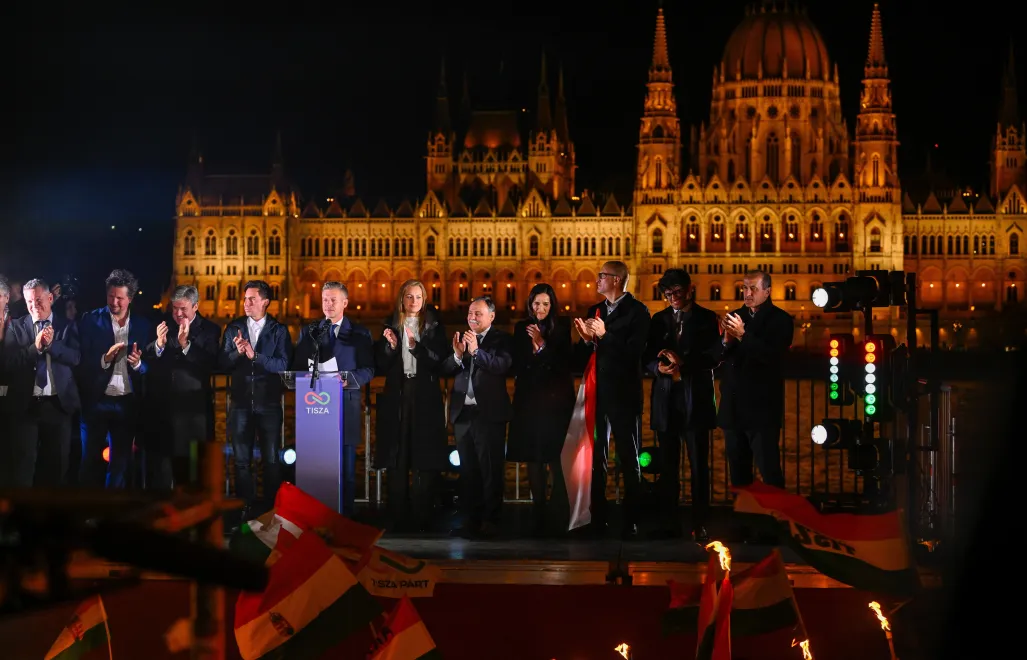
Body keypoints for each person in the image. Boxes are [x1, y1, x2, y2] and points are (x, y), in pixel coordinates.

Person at [574, 260, 651, 540]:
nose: (596, 280)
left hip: (624, 395)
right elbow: (587, 356)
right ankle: (598, 518)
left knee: (629, 459)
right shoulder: (595, 311)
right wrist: (585, 340)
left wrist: (605, 335)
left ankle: (631, 519)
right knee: (597, 459)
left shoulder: (638, 312)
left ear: (616, 280)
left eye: (601, 276)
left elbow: (634, 353)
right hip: (599, 393)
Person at [643, 269, 720, 542]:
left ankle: (700, 523)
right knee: (668, 468)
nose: (672, 298)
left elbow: (714, 356)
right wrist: (658, 367)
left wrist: (684, 362)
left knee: (699, 466)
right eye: (667, 293)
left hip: (694, 400)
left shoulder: (707, 319)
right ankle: (668, 523)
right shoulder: (659, 320)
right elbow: (647, 357)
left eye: (676, 292)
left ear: (689, 290)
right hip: (666, 399)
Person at [292, 281, 374, 516]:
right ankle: (316, 517)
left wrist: (349, 379)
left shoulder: (360, 333)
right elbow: (297, 365)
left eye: (333, 300)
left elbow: (368, 369)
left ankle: (345, 519)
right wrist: (305, 373)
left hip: (345, 406)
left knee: (347, 471)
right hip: (316, 410)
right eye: (325, 299)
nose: (328, 304)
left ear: (345, 303)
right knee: (317, 470)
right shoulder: (309, 331)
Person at [374, 280, 449, 532]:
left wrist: (416, 349)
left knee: (424, 455)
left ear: (424, 299)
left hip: (425, 394)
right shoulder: (390, 324)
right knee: (398, 455)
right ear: (402, 299)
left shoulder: (434, 326)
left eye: (418, 297)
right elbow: (380, 364)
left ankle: (422, 516)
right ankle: (397, 516)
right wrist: (390, 347)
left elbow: (438, 361)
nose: (413, 301)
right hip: (398, 393)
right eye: (409, 296)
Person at [714, 269, 794, 490]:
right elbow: (716, 357)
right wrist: (725, 342)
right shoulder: (734, 316)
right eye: (744, 288)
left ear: (767, 292)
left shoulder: (781, 320)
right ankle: (744, 520)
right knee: (738, 477)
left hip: (762, 412)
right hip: (733, 410)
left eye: (753, 289)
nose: (747, 293)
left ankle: (776, 521)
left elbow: (772, 356)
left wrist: (742, 335)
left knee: (770, 473)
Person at [441, 296, 513, 539]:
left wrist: (476, 352)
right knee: (468, 471)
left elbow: (502, 365)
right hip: (463, 414)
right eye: (470, 313)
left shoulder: (501, 339)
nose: (472, 317)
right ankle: (471, 520)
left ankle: (492, 520)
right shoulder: (462, 338)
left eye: (478, 313)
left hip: (488, 415)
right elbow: (447, 368)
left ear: (491, 316)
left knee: (491, 470)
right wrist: (459, 356)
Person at [507, 283, 575, 536]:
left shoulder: (562, 327)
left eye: (546, 304)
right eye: (536, 303)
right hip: (530, 401)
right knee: (533, 458)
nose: (540, 308)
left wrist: (541, 345)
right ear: (530, 304)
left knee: (556, 457)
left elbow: (563, 361)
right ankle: (539, 511)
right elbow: (520, 361)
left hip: (556, 403)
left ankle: (558, 510)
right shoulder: (519, 328)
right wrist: (536, 352)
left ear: (552, 305)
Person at [220, 280, 293, 514]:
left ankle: (272, 510)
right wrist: (237, 353)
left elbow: (282, 364)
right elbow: (222, 363)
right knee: (242, 461)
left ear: (265, 302)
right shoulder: (233, 328)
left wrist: (255, 355)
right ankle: (245, 508)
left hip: (269, 404)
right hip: (240, 404)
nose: (246, 303)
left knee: (271, 460)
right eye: (245, 299)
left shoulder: (279, 331)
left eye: (252, 299)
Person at [0, 278, 81, 487]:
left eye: (38, 299)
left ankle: (52, 517)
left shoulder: (67, 325)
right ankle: (20, 517)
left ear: (50, 298)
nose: (34, 305)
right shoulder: (17, 327)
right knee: (23, 469)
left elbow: (75, 358)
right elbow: (8, 363)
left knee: (56, 469)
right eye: (29, 301)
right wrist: (34, 348)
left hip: (58, 406)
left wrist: (52, 346)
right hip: (26, 408)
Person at [78, 269, 151, 489]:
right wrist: (105, 359)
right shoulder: (90, 320)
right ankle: (87, 514)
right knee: (89, 461)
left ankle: (112, 515)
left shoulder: (143, 325)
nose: (114, 302)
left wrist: (138, 364)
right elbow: (81, 361)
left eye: (120, 297)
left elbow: (149, 367)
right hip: (97, 401)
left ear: (130, 298)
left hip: (127, 403)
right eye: (111, 296)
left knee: (120, 464)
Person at [146, 285, 221, 489]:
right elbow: (147, 355)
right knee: (161, 472)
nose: (178, 313)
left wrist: (186, 345)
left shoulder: (210, 330)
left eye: (183, 309)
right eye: (174, 308)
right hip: (164, 411)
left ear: (195, 306)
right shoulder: (162, 325)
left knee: (192, 473)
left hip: (193, 413)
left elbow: (211, 363)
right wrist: (159, 345)